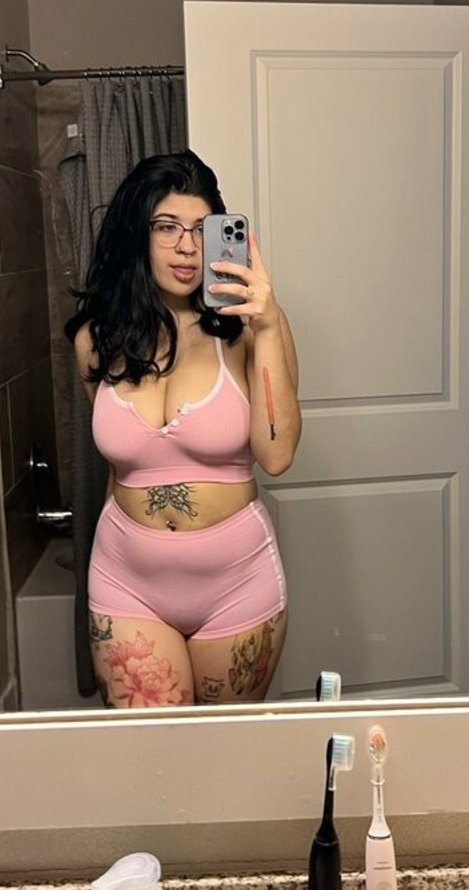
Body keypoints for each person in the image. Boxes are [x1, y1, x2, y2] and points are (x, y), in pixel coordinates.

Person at [65, 150, 301, 707]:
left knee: (222, 752)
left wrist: (268, 325)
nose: (187, 247)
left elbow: (276, 456)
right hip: (126, 581)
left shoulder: (248, 332)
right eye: (167, 227)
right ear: (137, 234)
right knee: (151, 753)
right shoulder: (95, 340)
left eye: (201, 229)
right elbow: (119, 466)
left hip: (235, 585)